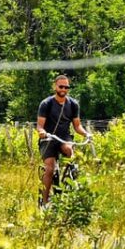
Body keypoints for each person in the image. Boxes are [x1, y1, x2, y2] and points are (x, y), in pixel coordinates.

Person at [36, 74, 90, 206]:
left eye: (66, 87)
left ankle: (68, 179)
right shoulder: (46, 104)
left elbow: (77, 126)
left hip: (64, 137)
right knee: (50, 169)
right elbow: (39, 125)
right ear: (55, 86)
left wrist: (87, 134)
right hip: (49, 138)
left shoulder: (73, 104)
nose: (63, 89)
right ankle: (45, 201)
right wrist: (42, 132)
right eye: (61, 86)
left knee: (69, 151)